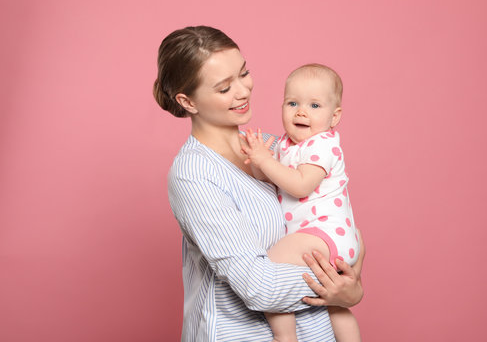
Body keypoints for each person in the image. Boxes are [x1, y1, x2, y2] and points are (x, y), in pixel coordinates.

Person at [153, 26, 365, 342]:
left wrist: (352, 286)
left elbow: (338, 224)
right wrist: (339, 287)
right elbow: (259, 287)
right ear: (188, 101)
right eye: (224, 88)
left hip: (319, 332)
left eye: (244, 73)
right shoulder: (194, 173)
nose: (243, 91)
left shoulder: (274, 147)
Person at [240, 64, 362, 342]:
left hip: (324, 234)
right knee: (337, 306)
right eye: (292, 103)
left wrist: (265, 160)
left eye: (315, 105)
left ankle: (285, 337)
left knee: (270, 269)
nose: (301, 111)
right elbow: (273, 179)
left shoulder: (323, 145)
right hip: (325, 237)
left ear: (335, 116)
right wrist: (256, 162)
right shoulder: (287, 144)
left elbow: (299, 184)